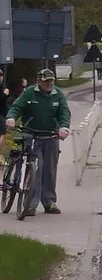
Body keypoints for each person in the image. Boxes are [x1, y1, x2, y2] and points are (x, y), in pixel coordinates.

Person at [5, 69, 71, 215]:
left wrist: (64, 127)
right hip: (31, 134)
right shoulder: (29, 92)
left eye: (51, 81)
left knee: (50, 170)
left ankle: (49, 202)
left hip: (51, 136)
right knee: (36, 168)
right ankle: (30, 204)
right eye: (46, 81)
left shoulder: (58, 94)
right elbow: (17, 107)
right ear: (39, 81)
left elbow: (64, 113)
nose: (49, 84)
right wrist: (11, 118)